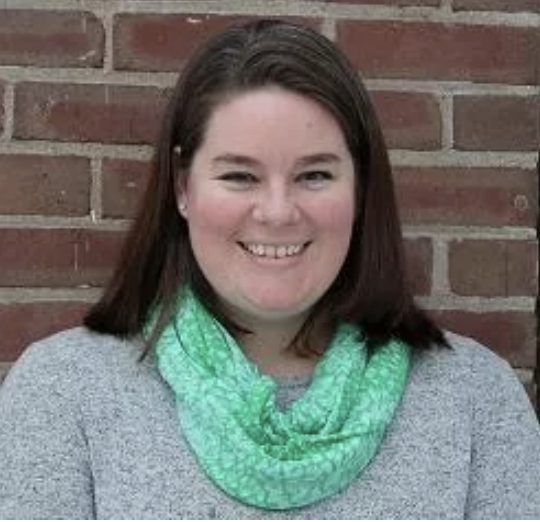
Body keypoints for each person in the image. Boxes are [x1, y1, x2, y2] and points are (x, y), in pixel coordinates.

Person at [0, 19, 539, 519]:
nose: (278, 212)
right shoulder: (62, 395)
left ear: (361, 189)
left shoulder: (474, 401)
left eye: (315, 175)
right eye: (239, 176)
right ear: (183, 187)